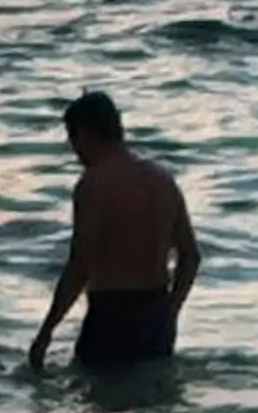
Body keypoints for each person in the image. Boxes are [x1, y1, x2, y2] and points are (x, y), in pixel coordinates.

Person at [28, 90, 201, 376]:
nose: (75, 152)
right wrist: (171, 312)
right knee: (154, 408)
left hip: (111, 317)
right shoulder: (163, 180)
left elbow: (80, 265)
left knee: (98, 409)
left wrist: (46, 332)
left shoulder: (94, 184)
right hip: (156, 317)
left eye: (72, 140)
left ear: (83, 134)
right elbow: (191, 257)